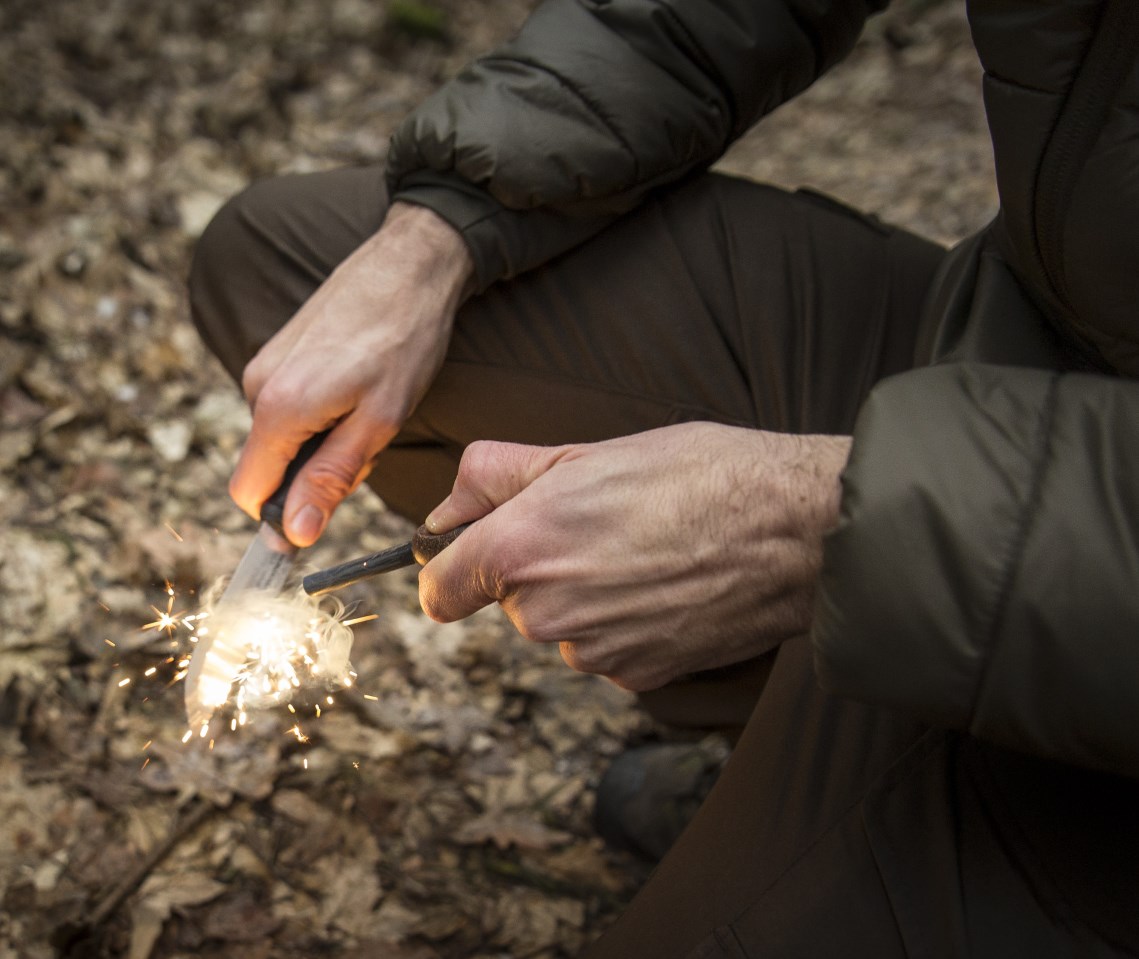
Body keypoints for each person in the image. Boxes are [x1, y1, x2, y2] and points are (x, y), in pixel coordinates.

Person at [189, 0, 1139, 955]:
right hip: (1004, 359)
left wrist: (819, 523)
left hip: (1095, 669)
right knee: (289, 270)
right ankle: (773, 731)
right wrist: (435, 237)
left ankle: (867, 793)